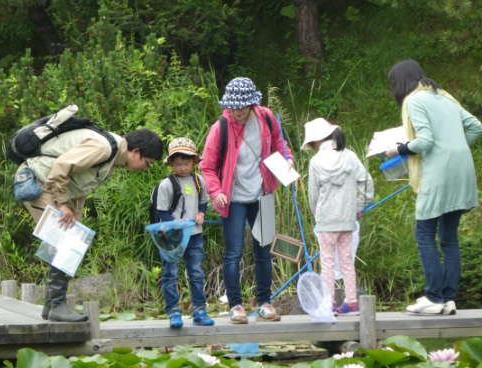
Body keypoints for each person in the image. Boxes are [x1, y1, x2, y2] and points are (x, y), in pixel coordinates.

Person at [19, 128, 163, 322]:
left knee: (73, 239)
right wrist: (62, 204)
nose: (145, 168)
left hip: (53, 185)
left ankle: (51, 305)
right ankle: (58, 305)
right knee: (64, 240)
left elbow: (80, 183)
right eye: (148, 163)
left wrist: (75, 218)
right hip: (38, 181)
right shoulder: (103, 149)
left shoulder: (112, 156)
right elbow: (60, 167)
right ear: (136, 152)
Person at [386, 59, 482, 315]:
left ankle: (433, 297)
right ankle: (448, 299)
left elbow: (425, 140)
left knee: (424, 235)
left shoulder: (414, 100)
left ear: (402, 81)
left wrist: (399, 149)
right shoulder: (446, 97)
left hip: (438, 174)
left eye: (393, 83)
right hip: (462, 172)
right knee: (449, 239)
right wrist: (457, 148)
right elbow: (476, 126)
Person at [200, 77, 294, 324]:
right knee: (233, 254)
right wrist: (216, 191)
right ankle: (236, 307)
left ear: (253, 103)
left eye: (241, 106)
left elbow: (279, 144)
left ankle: (264, 303)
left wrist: (288, 159)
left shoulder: (267, 118)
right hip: (233, 199)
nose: (237, 111)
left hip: (263, 193)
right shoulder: (220, 126)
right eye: (232, 106)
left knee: (264, 251)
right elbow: (206, 167)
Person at [302, 118, 374, 315]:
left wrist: (316, 214)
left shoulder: (315, 161)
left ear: (317, 142)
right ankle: (351, 303)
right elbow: (368, 185)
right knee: (347, 261)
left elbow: (313, 197)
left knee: (327, 263)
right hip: (347, 221)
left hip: (326, 222)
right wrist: (357, 208)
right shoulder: (349, 156)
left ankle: (329, 304)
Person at [156, 137, 214, 328]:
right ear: (171, 163)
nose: (182, 168)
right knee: (170, 273)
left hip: (195, 234)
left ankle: (199, 310)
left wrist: (201, 214)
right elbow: (161, 211)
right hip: (172, 236)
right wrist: (175, 222)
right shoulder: (166, 185)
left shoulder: (199, 181)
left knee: (196, 272)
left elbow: (204, 201)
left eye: (187, 163)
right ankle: (173, 311)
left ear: (194, 162)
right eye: (178, 164)